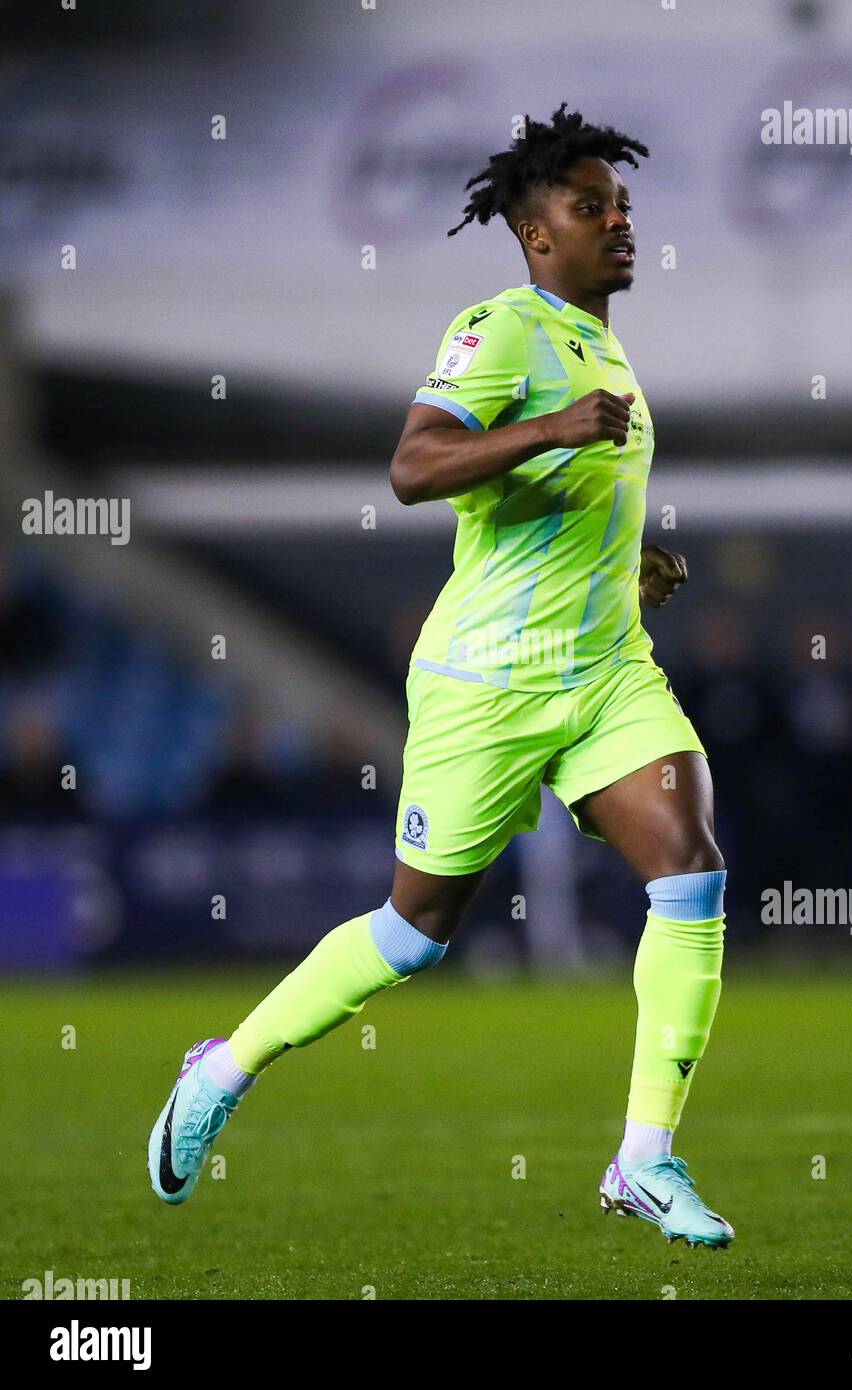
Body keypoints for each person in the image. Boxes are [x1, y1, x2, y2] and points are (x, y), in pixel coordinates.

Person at [148, 103, 733, 1250]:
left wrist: (629, 568)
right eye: (587, 208)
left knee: (690, 869)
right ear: (533, 235)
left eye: (621, 207)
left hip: (603, 670)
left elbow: (547, 510)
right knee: (414, 933)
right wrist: (556, 427)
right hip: (488, 683)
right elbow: (415, 466)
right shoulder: (503, 328)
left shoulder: (606, 348)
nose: (616, 224)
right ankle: (225, 1064)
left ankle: (643, 1159)